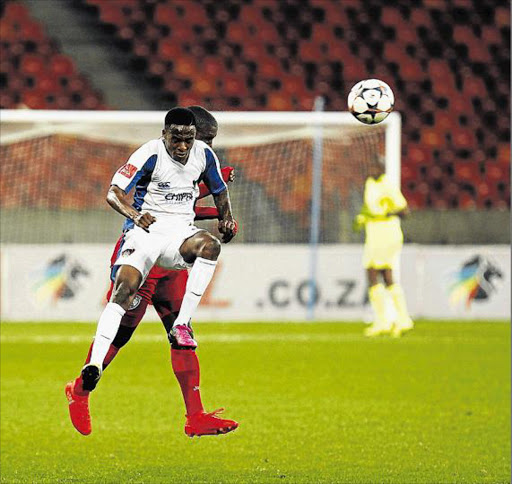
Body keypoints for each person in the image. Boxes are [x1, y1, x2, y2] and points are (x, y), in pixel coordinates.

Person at [66, 107, 238, 436]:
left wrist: (219, 214)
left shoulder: (200, 163)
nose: (208, 147)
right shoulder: (156, 158)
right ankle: (80, 392)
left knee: (182, 337)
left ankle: (195, 417)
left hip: (172, 260)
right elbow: (157, 203)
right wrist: (209, 205)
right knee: (122, 334)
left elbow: (185, 209)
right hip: (144, 252)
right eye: (208, 139)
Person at [353, 162, 414, 338]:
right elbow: (370, 209)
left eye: (375, 168)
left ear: (382, 169)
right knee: (385, 275)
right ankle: (399, 320)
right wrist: (363, 217)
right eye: (370, 168)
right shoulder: (370, 184)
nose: (371, 170)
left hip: (387, 233)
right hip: (374, 234)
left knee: (373, 273)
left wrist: (385, 215)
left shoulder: (387, 185)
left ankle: (386, 320)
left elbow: (405, 211)